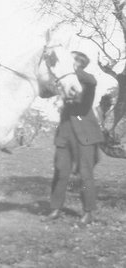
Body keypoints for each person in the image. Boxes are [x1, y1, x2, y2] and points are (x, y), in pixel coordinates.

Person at [48, 51, 104, 225]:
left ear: (78, 63)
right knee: (60, 171)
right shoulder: (63, 81)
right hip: (65, 132)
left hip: (85, 133)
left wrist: (72, 69)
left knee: (85, 175)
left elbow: (92, 81)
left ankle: (88, 212)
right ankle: (55, 208)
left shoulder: (87, 80)